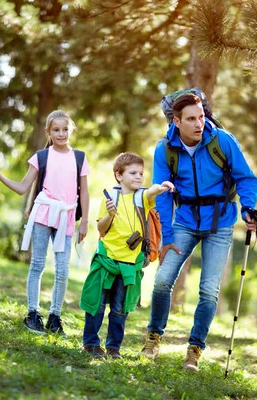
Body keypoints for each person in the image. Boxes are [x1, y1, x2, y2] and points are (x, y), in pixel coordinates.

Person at [140, 93, 257, 371]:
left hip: (219, 224)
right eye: (191, 119)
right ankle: (153, 337)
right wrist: (166, 237)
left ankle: (194, 351)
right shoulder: (165, 149)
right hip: (183, 222)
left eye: (201, 117)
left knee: (208, 291)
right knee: (162, 281)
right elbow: (162, 195)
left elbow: (245, 178)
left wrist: (248, 210)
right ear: (177, 121)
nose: (198, 124)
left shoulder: (222, 141)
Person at [0, 110, 89, 335]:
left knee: (63, 269)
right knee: (37, 264)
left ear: (71, 129)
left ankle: (55, 317)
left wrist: (84, 220)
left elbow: (84, 191)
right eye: (56, 130)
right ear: (48, 131)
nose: (61, 133)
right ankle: (32, 314)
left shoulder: (79, 157)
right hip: (43, 214)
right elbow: (23, 187)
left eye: (65, 129)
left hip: (65, 216)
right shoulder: (41, 156)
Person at [79, 152, 174, 359]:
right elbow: (100, 228)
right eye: (133, 173)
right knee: (97, 304)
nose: (138, 177)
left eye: (141, 173)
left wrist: (162, 186)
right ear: (118, 175)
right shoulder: (108, 199)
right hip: (107, 259)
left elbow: (152, 192)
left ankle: (113, 348)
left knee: (120, 309)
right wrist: (110, 214)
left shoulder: (142, 198)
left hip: (129, 264)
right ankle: (91, 343)